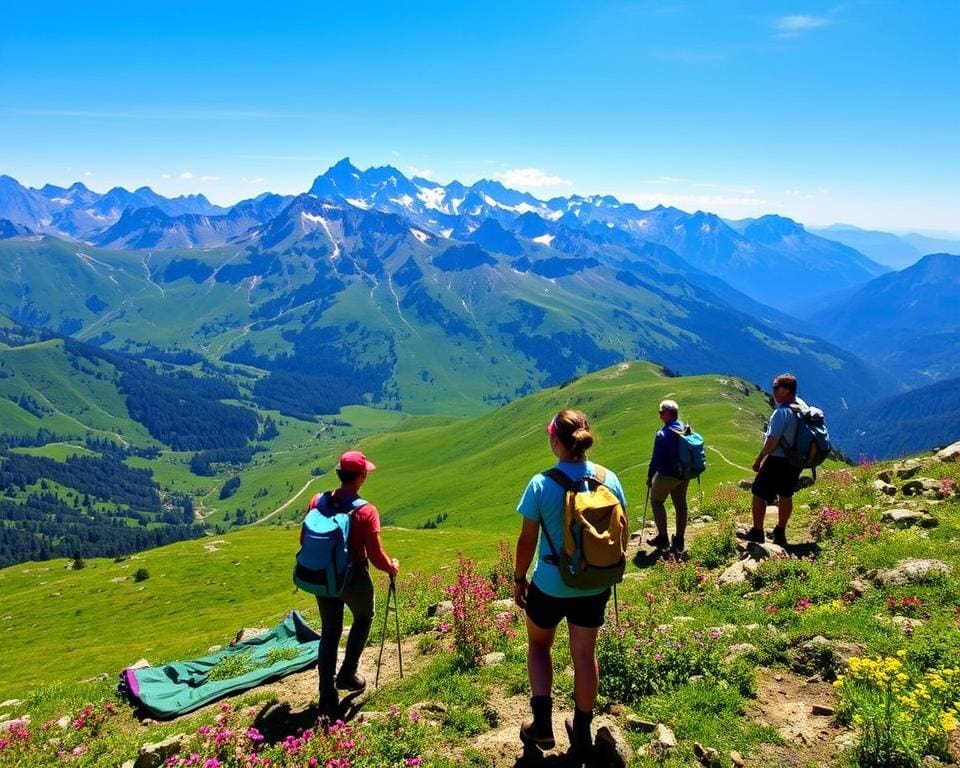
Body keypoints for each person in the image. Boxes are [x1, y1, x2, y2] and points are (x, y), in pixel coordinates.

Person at [512, 409, 628, 761]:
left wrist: (519, 579)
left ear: (555, 441)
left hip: (549, 582)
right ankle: (581, 732)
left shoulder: (540, 484)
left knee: (538, 646)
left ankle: (542, 725)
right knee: (583, 655)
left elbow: (526, 540)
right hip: (594, 583)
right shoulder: (611, 479)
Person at [311, 450, 399, 722]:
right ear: (360, 477)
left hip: (323, 576)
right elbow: (375, 555)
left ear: (339, 474)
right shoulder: (366, 510)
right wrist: (391, 567)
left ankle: (326, 695)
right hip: (353, 577)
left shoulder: (317, 500)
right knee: (363, 616)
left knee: (330, 632)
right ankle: (348, 673)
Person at [742, 373, 806, 547]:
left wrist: (759, 459)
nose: (774, 392)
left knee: (758, 493)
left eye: (776, 388)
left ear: (786, 390)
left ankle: (757, 531)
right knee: (786, 494)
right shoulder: (801, 406)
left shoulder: (781, 412)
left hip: (777, 460)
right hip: (795, 460)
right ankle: (780, 532)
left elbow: (772, 442)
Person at [645, 399, 690, 555]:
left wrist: (650, 477)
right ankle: (679, 540)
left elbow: (656, 459)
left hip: (668, 474)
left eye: (661, 412)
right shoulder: (683, 426)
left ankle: (663, 537)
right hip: (684, 474)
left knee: (656, 501)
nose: (659, 414)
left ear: (669, 413)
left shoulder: (663, 433)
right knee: (681, 505)